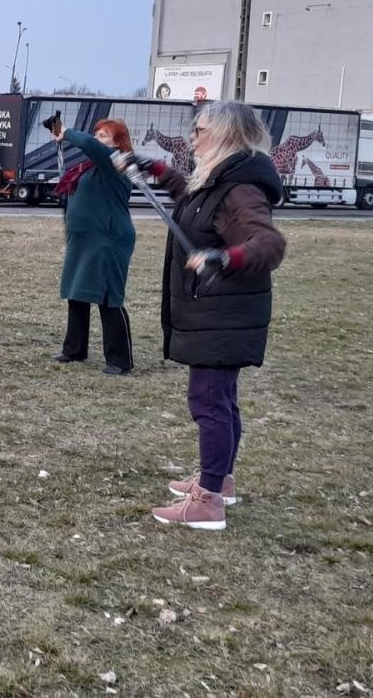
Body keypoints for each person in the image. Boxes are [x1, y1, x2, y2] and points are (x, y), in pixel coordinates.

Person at [114, 102, 286, 531]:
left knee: (209, 401)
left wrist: (224, 257)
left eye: (201, 129)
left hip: (222, 311)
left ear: (226, 135)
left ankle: (208, 502)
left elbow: (268, 243)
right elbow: (191, 203)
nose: (193, 136)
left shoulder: (240, 189)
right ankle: (219, 481)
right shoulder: (218, 181)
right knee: (221, 400)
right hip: (215, 309)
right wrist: (152, 166)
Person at [50, 117, 137, 374]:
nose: (97, 138)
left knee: (109, 297)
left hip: (108, 239)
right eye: (97, 133)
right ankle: (74, 349)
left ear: (118, 143)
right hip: (84, 240)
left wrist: (65, 133)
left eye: (104, 135)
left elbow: (88, 143)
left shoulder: (118, 163)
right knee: (77, 292)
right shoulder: (88, 168)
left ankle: (120, 360)